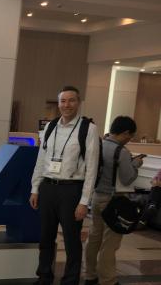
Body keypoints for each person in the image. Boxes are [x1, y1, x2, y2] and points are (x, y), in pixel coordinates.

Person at [29, 86, 99, 285]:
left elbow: (92, 168)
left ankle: (70, 280)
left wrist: (84, 201)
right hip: (48, 188)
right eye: (63, 101)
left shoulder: (88, 129)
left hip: (71, 190)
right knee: (45, 237)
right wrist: (35, 188)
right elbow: (41, 160)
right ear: (58, 103)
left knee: (71, 240)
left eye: (71, 101)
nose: (66, 105)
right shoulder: (50, 127)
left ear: (78, 103)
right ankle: (44, 276)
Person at [84, 116, 143, 285]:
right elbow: (127, 178)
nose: (129, 139)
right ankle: (108, 280)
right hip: (114, 200)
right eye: (130, 136)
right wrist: (135, 164)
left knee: (94, 238)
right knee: (110, 244)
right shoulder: (121, 152)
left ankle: (90, 275)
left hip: (96, 197)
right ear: (125, 133)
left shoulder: (98, 145)